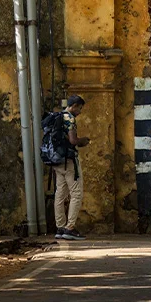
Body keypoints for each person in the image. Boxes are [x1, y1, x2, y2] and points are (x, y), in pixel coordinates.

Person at [54, 95, 91, 240]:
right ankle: (69, 228)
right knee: (76, 194)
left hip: (57, 161)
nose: (80, 112)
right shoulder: (69, 118)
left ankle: (60, 228)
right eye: (80, 108)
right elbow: (73, 140)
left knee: (60, 194)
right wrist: (84, 141)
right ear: (74, 105)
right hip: (69, 161)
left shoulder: (57, 116)